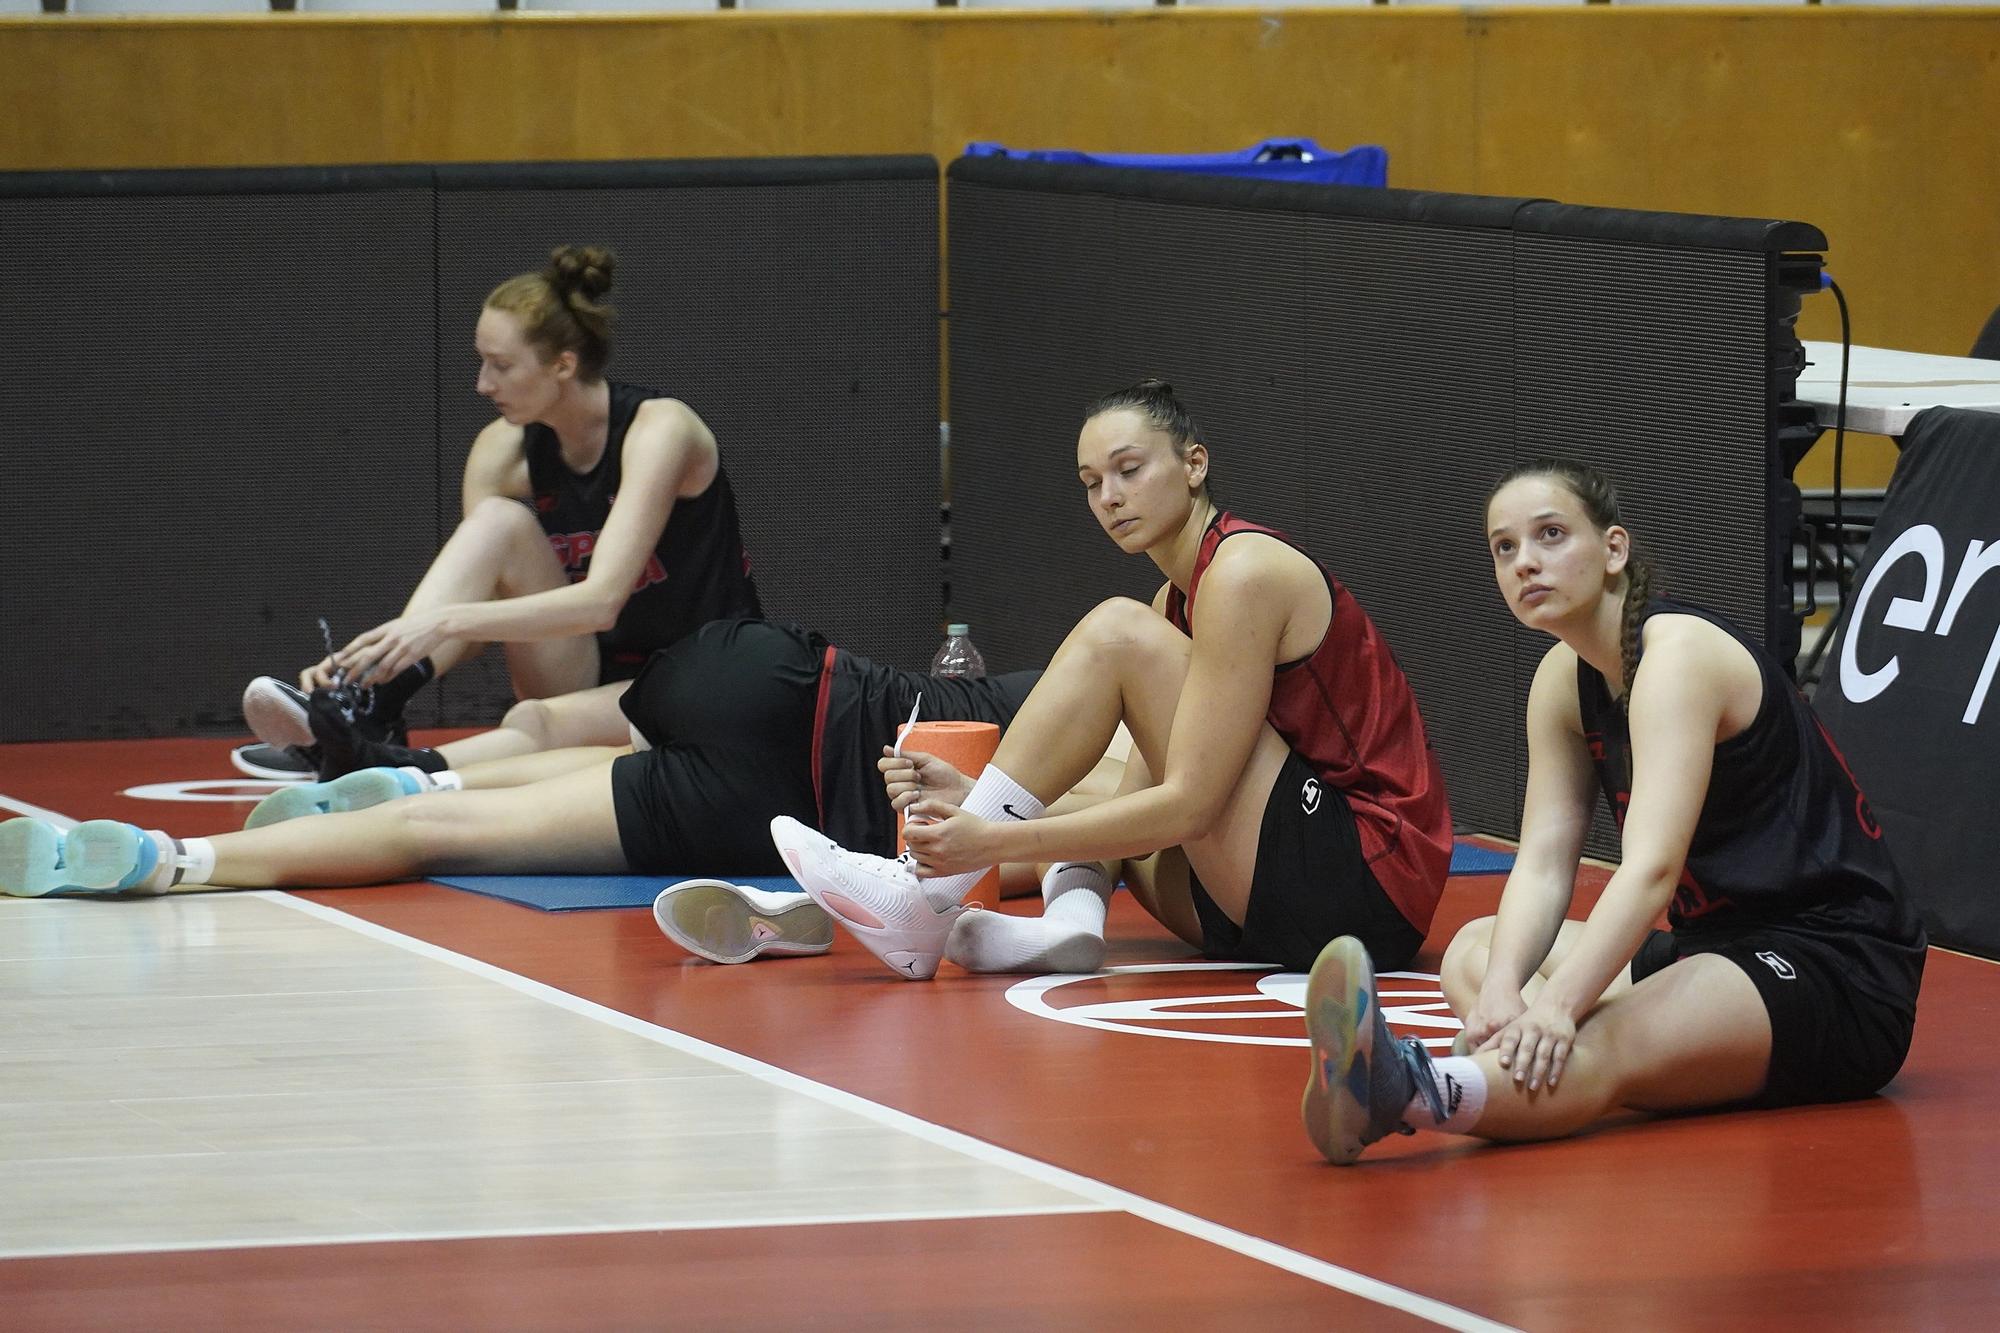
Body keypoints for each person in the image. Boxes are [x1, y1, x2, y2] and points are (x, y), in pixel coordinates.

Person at [1299, 459, 1927, 1166]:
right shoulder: (1562, 682)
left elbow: (1652, 869)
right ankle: (1526, 1068)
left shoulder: (1678, 655)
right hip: (1717, 944)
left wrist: (1560, 1004)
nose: (1526, 562)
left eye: (1551, 534)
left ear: (1614, 549)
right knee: (1478, 951)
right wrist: (1507, 994)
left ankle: (1405, 1089)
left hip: (1834, 965)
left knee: (1598, 1031)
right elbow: (1540, 865)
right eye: (1504, 548)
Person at [769, 379, 1453, 982]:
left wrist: (994, 838)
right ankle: (1063, 926)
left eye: (1128, 469)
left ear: (1194, 463)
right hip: (1267, 900)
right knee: (1102, 784)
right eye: (1091, 482)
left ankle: (925, 894)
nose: (1110, 497)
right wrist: (982, 802)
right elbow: (1146, 801)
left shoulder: (1243, 573)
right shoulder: (1172, 603)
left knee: (1115, 633)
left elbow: (1189, 807)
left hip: (1366, 886)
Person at [1, 620, 1038, 967]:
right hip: (794, 785)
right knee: (446, 834)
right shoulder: (1138, 726)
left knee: (553, 739)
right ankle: (179, 860)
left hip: (776, 672)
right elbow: (1037, 843)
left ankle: (417, 767)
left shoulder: (1089, 658)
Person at [234, 243, 760, 780]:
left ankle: (384, 769)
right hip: (592, 673)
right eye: (481, 361)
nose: (483, 384)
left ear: (563, 364)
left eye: (502, 366)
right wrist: (372, 658)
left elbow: (600, 603)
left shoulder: (660, 430)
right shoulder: (500, 450)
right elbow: (481, 620)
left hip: (701, 678)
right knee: (497, 523)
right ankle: (370, 707)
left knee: (532, 719)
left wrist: (437, 622)